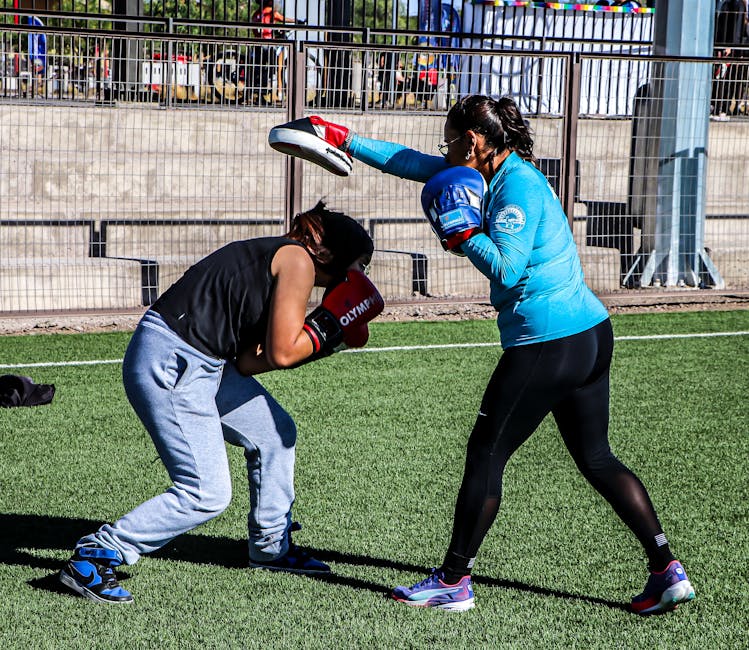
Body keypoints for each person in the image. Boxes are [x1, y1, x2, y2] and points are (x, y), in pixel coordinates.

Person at [290, 97, 695, 614]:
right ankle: (666, 569)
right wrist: (342, 137)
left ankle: (454, 581)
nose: (444, 150)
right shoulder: (491, 168)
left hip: (548, 343)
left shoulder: (516, 187)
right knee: (596, 457)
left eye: (450, 141)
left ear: (474, 142)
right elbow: (411, 163)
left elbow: (506, 267)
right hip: (589, 333)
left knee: (486, 454)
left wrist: (462, 234)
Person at [59, 201, 384, 604]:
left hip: (202, 362)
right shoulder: (297, 262)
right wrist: (330, 327)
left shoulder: (279, 259)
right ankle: (96, 554)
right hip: (173, 360)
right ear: (336, 254)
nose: (362, 277)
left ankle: (270, 548)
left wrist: (325, 341)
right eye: (361, 266)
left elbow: (251, 361)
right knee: (206, 493)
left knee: (275, 433)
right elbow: (284, 353)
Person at [251, 0, 299, 105]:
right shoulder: (270, 12)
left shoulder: (257, 13)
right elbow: (283, 19)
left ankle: (260, 95)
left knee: (260, 68)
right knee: (270, 69)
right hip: (268, 44)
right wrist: (297, 21)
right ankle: (266, 93)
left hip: (258, 43)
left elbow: (254, 28)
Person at [713, 0, 749, 118]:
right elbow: (734, 29)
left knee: (728, 79)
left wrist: (728, 46)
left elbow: (734, 28)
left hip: (730, 48)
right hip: (730, 48)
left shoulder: (733, 5)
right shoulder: (734, 5)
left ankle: (723, 107)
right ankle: (722, 107)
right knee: (727, 79)